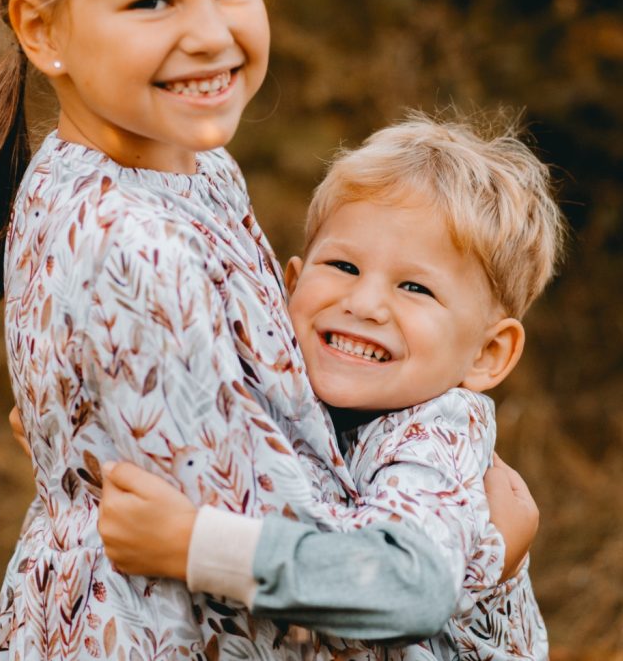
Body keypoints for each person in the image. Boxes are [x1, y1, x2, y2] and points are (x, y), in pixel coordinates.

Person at [0, 0, 537, 661]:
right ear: (43, 30)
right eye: (152, 0)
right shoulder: (131, 244)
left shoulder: (188, 169)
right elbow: (251, 569)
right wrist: (486, 553)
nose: (211, 33)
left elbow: (220, 428)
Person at [98, 115, 562, 660]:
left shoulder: (437, 437)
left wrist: (192, 545)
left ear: (488, 354)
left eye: (415, 287)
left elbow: (405, 586)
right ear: (289, 287)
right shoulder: (281, 389)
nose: (363, 304)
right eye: (343, 265)